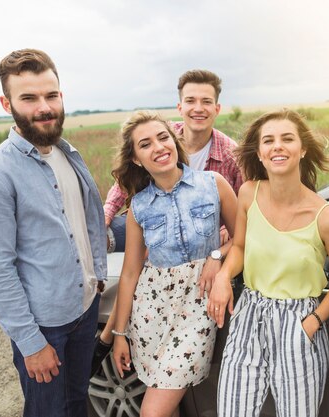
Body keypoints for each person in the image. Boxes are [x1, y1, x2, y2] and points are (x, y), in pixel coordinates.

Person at [0, 49, 107, 417]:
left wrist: (98, 276)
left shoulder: (67, 153)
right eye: (28, 98)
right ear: (6, 102)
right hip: (46, 326)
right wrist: (30, 343)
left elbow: (86, 222)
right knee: (48, 412)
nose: (43, 107)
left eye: (51, 95)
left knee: (77, 403)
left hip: (85, 308)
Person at [92, 69, 243, 374]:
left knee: (149, 251)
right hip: (159, 227)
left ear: (217, 108)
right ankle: (112, 333)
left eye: (206, 102)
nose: (197, 108)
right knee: (121, 235)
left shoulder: (228, 154)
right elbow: (120, 191)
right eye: (190, 101)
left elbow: (245, 209)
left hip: (212, 234)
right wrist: (102, 224)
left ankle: (106, 337)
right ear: (180, 107)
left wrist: (220, 252)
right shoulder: (161, 135)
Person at [208, 109, 329, 417]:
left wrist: (312, 322)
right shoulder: (248, 193)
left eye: (287, 139)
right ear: (260, 153)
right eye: (268, 140)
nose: (277, 146)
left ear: (302, 149)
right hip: (249, 314)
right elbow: (240, 246)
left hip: (299, 321)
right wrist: (223, 277)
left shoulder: (327, 218)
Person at [110, 111, 237, 417]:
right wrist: (118, 335)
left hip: (197, 306)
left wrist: (216, 257)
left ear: (175, 142)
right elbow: (129, 274)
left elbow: (246, 238)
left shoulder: (213, 184)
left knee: (152, 411)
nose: (158, 147)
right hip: (150, 311)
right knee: (170, 406)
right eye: (145, 144)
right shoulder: (138, 206)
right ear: (137, 159)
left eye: (163, 137)